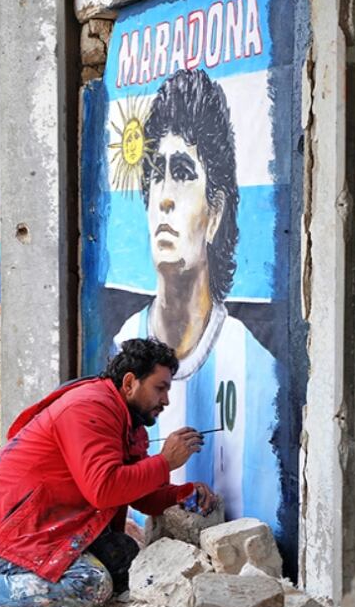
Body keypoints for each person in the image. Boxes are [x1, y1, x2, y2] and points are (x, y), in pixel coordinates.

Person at [114, 67, 281, 528]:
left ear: (216, 212)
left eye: (183, 173)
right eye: (155, 174)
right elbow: (103, 486)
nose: (164, 197)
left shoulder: (254, 365)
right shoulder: (122, 345)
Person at [0, 338, 217, 607]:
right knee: (89, 585)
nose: (166, 400)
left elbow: (136, 493)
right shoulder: (89, 407)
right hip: (7, 533)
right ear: (130, 382)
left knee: (122, 557)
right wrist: (165, 462)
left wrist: (181, 494)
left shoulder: (128, 420)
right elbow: (104, 490)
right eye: (160, 388)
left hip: (42, 526)